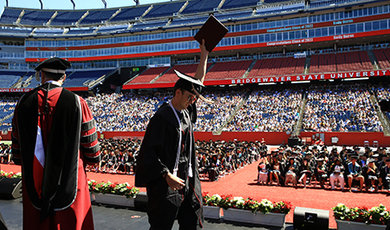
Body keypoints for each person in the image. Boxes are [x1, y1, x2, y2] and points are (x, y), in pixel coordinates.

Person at [11, 57, 100, 230]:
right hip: (70, 177)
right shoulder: (77, 102)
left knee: (36, 222)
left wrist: (21, 160)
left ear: (42, 75)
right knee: (70, 222)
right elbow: (91, 147)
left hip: (34, 176)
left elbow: (17, 147)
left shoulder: (23, 102)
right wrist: (93, 159)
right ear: (64, 77)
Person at [135, 40, 209, 230]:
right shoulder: (162, 118)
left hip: (188, 180)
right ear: (177, 92)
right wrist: (166, 175)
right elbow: (148, 154)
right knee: (161, 225)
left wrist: (204, 55)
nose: (192, 101)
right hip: (166, 185)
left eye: (194, 99)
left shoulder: (186, 111)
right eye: (189, 97)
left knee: (191, 222)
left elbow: (197, 82)